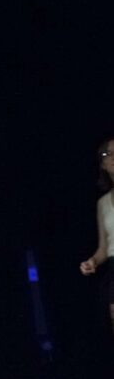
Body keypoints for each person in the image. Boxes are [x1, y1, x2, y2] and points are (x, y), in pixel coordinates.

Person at [79, 137, 114, 337]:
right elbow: (104, 247)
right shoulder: (103, 203)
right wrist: (92, 261)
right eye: (107, 154)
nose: (113, 157)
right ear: (103, 165)